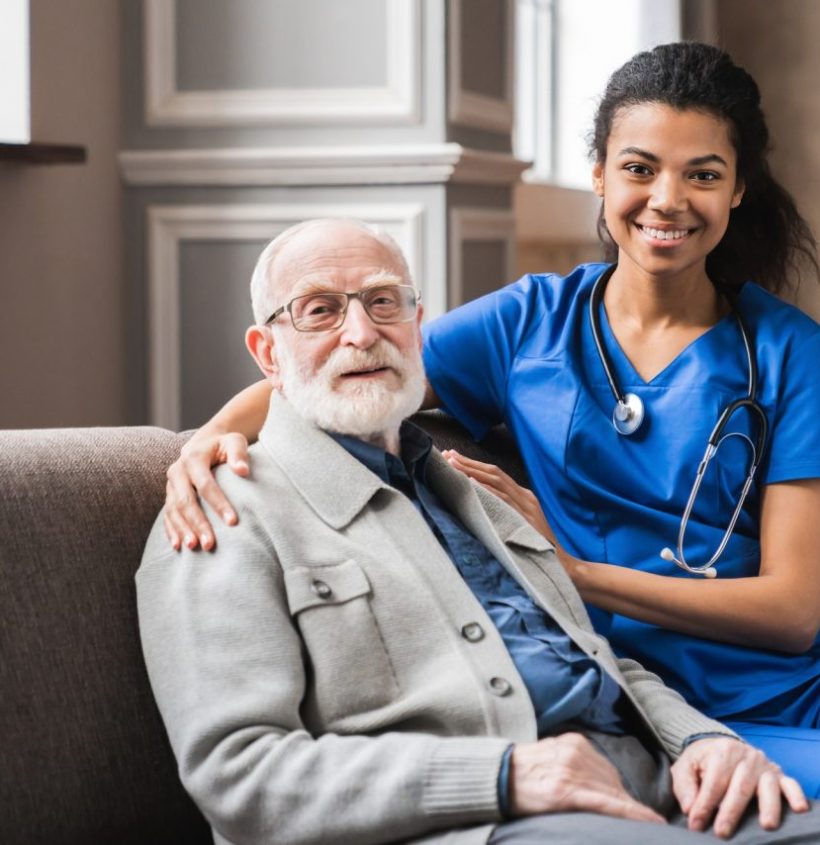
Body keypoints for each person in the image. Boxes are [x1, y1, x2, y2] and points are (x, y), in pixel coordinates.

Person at [160, 43, 820, 795]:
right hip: (615, 701)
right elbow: (351, 366)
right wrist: (206, 439)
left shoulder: (791, 354)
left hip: (772, 705)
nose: (667, 199)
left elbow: (793, 610)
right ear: (599, 175)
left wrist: (573, 575)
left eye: (702, 174)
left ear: (737, 191)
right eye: (639, 168)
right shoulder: (527, 323)